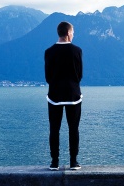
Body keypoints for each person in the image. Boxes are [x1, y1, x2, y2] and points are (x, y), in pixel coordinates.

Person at [44, 21, 83, 171]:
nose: (73, 34)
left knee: (54, 129)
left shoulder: (49, 52)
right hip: (73, 95)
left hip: (54, 95)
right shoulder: (77, 51)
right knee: (74, 129)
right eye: (72, 32)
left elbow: (47, 76)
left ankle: (54, 162)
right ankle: (73, 162)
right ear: (67, 33)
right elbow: (79, 75)